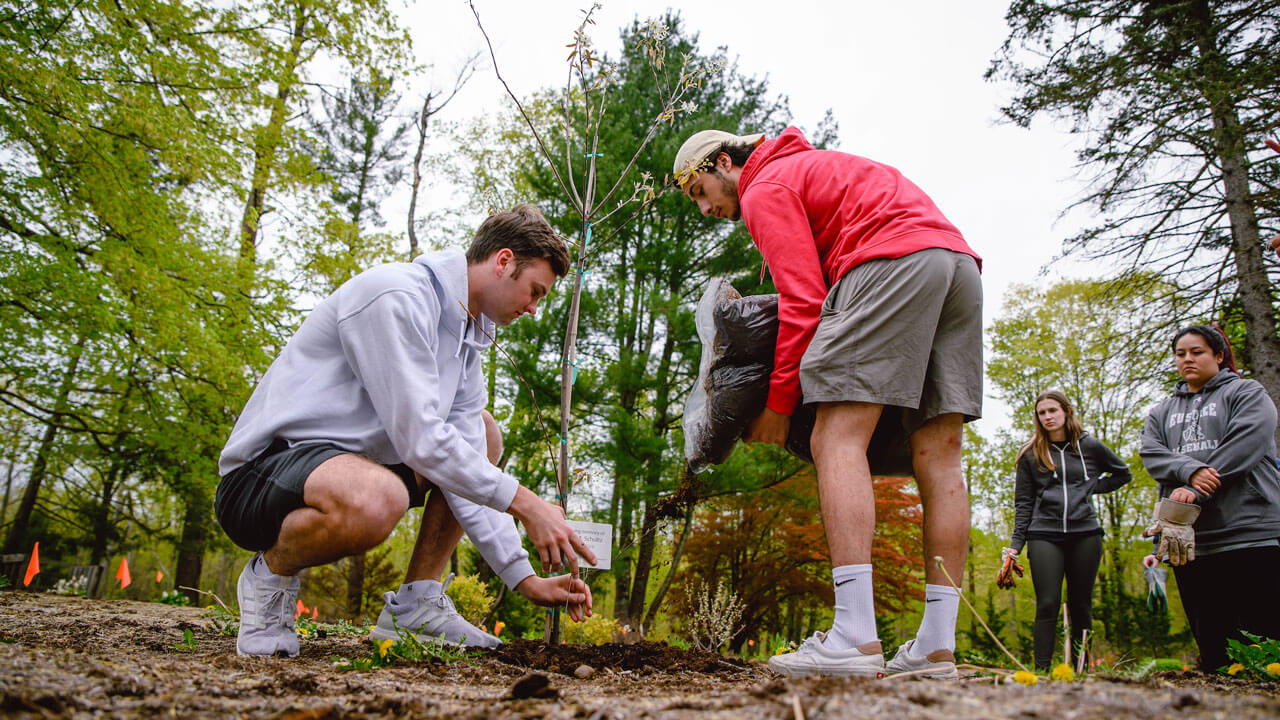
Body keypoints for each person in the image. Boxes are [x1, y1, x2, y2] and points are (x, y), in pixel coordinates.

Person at [215, 204, 596, 657]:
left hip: (346, 469)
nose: (533, 309)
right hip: (261, 478)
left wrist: (523, 577)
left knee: (483, 432)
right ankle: (269, 577)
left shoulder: (467, 338)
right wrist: (529, 505)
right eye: (535, 291)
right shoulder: (395, 297)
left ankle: (416, 603)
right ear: (503, 261)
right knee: (381, 498)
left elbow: (468, 457)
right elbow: (421, 441)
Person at [673, 127, 983, 678]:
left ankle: (855, 637)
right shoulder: (811, 168)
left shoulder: (766, 185)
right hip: (956, 264)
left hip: (890, 262)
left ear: (725, 163)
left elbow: (805, 301)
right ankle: (936, 647)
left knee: (836, 437)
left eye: (700, 191)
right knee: (940, 456)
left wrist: (779, 403)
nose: (704, 208)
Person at [1139, 324, 1280, 671]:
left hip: (1251, 533)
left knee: (1263, 645)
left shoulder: (1248, 393)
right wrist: (1189, 470)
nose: (1187, 359)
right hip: (1192, 540)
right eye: (1180, 354)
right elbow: (1152, 453)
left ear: (1219, 356)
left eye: (1197, 352)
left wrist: (1198, 481)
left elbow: (1247, 440)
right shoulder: (1161, 412)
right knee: (1215, 648)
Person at [1002, 390, 1133, 670]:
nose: (1048, 417)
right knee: (1047, 603)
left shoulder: (1090, 447)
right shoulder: (1030, 453)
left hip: (1085, 533)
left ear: (1066, 412)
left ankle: (1081, 669)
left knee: (1081, 604)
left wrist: (1090, 488)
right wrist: (1016, 545)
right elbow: (1023, 503)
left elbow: (1123, 474)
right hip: (1044, 535)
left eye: (1053, 411)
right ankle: (1042, 671)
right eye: (1042, 413)